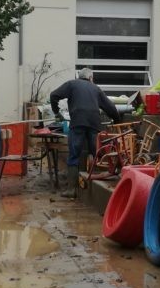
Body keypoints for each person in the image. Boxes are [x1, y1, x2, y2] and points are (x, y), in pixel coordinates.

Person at [49, 67, 122, 199]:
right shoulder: (95, 88)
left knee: (74, 155)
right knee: (98, 153)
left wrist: (56, 112)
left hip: (77, 122)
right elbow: (110, 107)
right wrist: (117, 120)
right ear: (90, 78)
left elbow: (53, 95)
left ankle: (71, 190)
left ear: (79, 77)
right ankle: (98, 186)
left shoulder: (71, 84)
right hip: (94, 123)